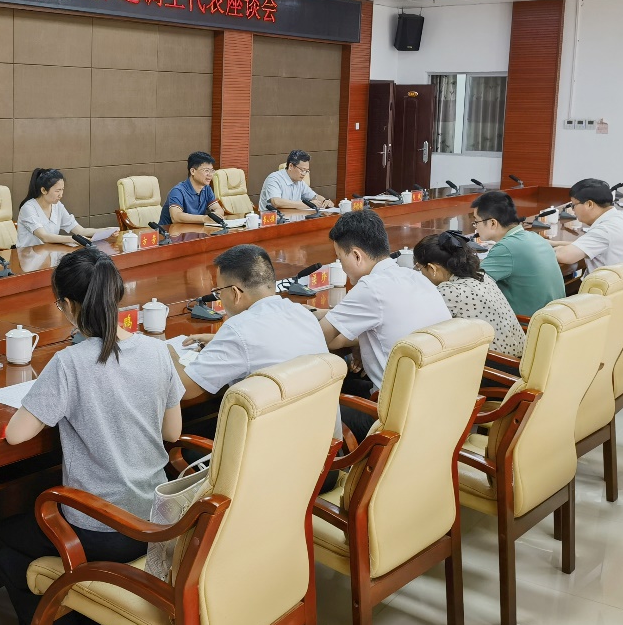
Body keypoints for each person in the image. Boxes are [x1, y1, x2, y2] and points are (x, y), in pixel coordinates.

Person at [0, 250, 183, 625]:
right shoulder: (156, 351)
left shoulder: (69, 363)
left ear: (68, 304)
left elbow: (16, 435)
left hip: (102, 531)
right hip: (156, 520)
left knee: (3, 540)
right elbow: (173, 432)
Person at [318, 210, 451, 441]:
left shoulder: (371, 288)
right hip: (437, 404)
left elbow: (319, 338)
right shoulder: (415, 277)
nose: (342, 265)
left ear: (357, 256)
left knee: (312, 413)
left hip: (394, 418)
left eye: (340, 258)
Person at [172, 244, 329, 401]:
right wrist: (220, 341)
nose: (220, 297)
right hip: (322, 415)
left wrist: (167, 351)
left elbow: (183, 389)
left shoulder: (238, 330)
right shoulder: (303, 313)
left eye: (219, 292)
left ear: (235, 293)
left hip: (271, 417)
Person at [413, 231, 524, 358]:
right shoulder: (482, 276)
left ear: (433, 269)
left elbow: (421, 327)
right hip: (522, 357)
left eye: (420, 268)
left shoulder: (450, 291)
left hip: (498, 364)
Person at [471, 190, 566, 317]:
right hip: (554, 319)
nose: (475, 227)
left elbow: (472, 282)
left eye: (476, 221)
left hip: (527, 324)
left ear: (493, 223)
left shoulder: (506, 248)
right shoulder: (534, 236)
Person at [553, 178, 623, 271]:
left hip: (605, 280)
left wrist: (547, 249)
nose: (573, 210)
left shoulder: (605, 229)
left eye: (573, 205)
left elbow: (564, 256)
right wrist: (555, 244)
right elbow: (583, 245)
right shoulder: (620, 218)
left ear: (589, 204)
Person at [16, 168, 105, 249]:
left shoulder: (57, 206)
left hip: (49, 253)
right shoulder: (28, 208)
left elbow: (81, 231)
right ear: (43, 190)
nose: (61, 195)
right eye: (57, 191)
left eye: (62, 189)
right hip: (27, 256)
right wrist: (74, 239)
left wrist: (107, 231)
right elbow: (44, 237)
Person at [160, 151, 226, 226]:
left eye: (212, 171)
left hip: (193, 230)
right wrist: (204, 218)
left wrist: (216, 215)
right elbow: (176, 217)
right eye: (206, 170)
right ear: (193, 171)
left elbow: (218, 209)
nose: (210, 174)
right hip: (169, 232)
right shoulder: (178, 191)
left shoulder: (207, 189)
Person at [258, 150, 328, 212]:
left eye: (306, 171)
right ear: (291, 166)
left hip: (292, 218)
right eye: (302, 170)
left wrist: (325, 201)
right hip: (272, 220)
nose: (304, 174)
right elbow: (276, 202)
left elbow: (314, 196)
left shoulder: (299, 182)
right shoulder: (274, 178)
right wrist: (307, 205)